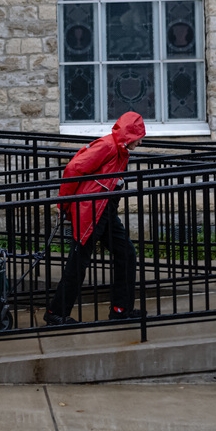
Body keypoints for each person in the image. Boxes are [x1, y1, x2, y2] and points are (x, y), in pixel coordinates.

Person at [44, 111, 146, 325]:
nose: (141, 140)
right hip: (89, 211)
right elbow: (74, 168)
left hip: (103, 210)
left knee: (126, 253)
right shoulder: (108, 146)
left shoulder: (121, 150)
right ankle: (56, 313)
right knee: (78, 261)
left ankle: (121, 309)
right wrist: (65, 203)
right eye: (139, 136)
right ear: (131, 135)